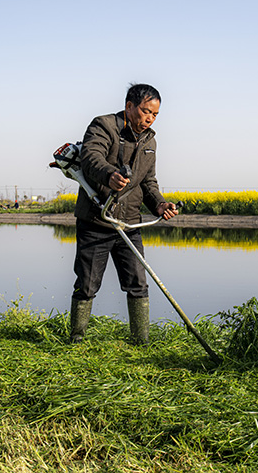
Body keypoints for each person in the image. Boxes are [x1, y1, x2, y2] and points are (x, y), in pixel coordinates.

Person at [69, 83, 178, 345]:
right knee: (87, 284)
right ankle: (76, 339)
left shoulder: (150, 140)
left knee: (138, 283)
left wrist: (160, 205)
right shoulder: (104, 125)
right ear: (129, 106)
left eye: (155, 114)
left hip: (129, 225)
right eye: (146, 111)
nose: (150, 118)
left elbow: (148, 182)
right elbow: (91, 157)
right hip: (97, 220)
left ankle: (141, 342)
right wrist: (109, 175)